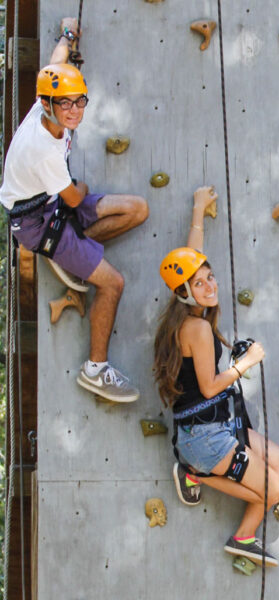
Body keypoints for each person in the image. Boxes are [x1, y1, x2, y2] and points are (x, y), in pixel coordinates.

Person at [0, 18, 148, 403]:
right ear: (48, 104)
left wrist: (67, 35)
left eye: (79, 101)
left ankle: (71, 258)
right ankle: (95, 369)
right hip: (37, 222)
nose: (74, 111)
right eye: (64, 103)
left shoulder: (43, 105)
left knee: (137, 209)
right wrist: (77, 188)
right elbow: (74, 198)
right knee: (113, 283)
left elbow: (55, 64)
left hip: (52, 204)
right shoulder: (42, 148)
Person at [152, 186, 279, 566]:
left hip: (215, 424)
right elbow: (210, 386)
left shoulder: (187, 313)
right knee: (275, 489)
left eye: (210, 277)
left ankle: (244, 537)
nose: (210, 285)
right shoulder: (196, 329)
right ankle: (191, 474)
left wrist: (198, 209)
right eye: (200, 284)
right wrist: (244, 364)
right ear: (185, 292)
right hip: (203, 439)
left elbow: (190, 258)